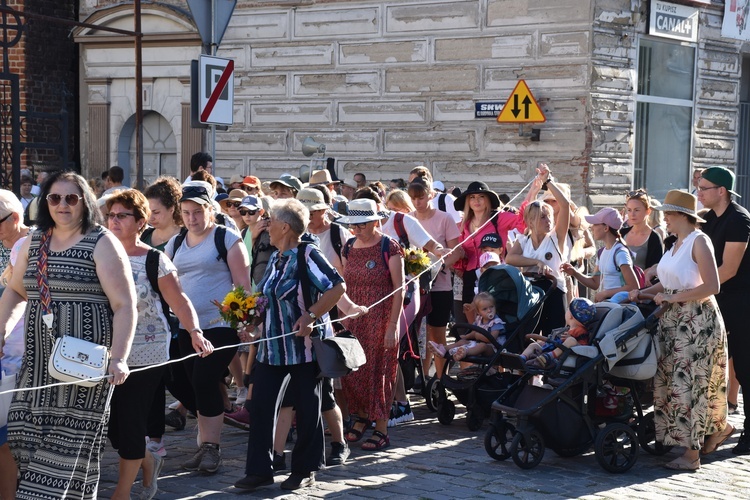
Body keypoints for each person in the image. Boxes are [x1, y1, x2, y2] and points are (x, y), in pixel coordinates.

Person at [0, 171, 137, 498]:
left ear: (85, 202)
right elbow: (16, 292)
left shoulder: (101, 241)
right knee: (22, 437)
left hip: (82, 371)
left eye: (71, 198)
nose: (62, 204)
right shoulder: (35, 240)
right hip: (35, 369)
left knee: (63, 457)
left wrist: (119, 358)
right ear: (44, 202)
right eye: (54, 197)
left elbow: (125, 305)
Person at [105, 189, 214, 500]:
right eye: (111, 215)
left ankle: (122, 492)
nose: (114, 221)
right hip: (107, 354)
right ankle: (149, 459)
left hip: (146, 353)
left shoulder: (154, 260)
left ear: (140, 222)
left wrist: (194, 331)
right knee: (113, 427)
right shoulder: (99, 254)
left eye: (122, 215)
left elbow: (179, 301)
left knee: (131, 422)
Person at [235, 198, 346, 492]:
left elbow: (337, 286)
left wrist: (311, 315)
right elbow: (265, 299)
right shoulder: (276, 258)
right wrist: (251, 322)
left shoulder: (307, 254)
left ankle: (305, 470)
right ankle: (259, 470)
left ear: (285, 226)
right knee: (260, 408)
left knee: (308, 410)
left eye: (271, 221)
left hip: (304, 349)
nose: (267, 225)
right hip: (272, 350)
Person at [629, 190, 730, 471]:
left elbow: (712, 286)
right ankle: (715, 430)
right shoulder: (674, 244)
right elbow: (666, 283)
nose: (664, 219)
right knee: (674, 384)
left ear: (681, 215)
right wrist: (642, 293)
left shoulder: (699, 241)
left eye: (668, 214)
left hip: (697, 321)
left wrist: (674, 298)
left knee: (691, 385)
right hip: (673, 321)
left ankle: (691, 455)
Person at [164, 183, 251, 474]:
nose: (192, 218)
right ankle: (205, 443)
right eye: (186, 213)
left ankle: (212, 448)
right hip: (187, 327)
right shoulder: (175, 243)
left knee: (203, 380)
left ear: (210, 210)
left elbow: (243, 285)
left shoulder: (226, 239)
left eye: (198, 212)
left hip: (220, 325)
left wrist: (244, 324)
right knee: (186, 384)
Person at [338, 198, 404, 450]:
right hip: (355, 320)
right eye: (354, 225)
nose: (357, 230)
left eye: (363, 224)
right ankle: (362, 417)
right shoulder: (349, 246)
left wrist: (392, 327)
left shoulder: (390, 246)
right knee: (355, 372)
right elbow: (345, 284)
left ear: (376, 221)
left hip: (381, 318)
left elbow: (399, 289)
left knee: (379, 372)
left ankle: (382, 427)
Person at [697, 166, 750, 455]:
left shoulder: (739, 220)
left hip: (742, 301)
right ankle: (712, 425)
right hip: (717, 298)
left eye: (704, 188)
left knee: (745, 366)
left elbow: (728, 269)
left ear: (722, 191)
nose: (699, 192)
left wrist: (696, 288)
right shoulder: (707, 220)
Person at [455, 173, 541, 309]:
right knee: (470, 315)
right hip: (470, 277)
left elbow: (522, 220)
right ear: (468, 201)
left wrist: (532, 192)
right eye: (472, 197)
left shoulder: (498, 218)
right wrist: (458, 267)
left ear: (488, 199)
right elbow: (459, 251)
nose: (476, 200)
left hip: (495, 274)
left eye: (481, 196)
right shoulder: (462, 225)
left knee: (496, 316)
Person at [407, 178, 462, 379]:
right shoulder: (407, 219)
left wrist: (439, 267)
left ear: (430, 195)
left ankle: (441, 378)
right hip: (414, 287)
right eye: (413, 198)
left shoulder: (444, 218)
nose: (417, 202)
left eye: (420, 197)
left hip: (440, 286)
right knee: (415, 335)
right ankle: (420, 375)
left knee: (437, 334)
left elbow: (457, 251)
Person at [505, 166, 570, 335]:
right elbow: (510, 259)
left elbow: (565, 205)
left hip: (554, 291)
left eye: (549, 216)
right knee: (528, 336)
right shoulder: (524, 240)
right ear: (531, 222)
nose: (548, 220)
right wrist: (536, 262)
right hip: (532, 292)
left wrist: (548, 182)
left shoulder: (556, 237)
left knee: (553, 336)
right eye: (543, 216)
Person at [0, 189, 30, 499]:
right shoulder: (16, 244)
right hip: (12, 344)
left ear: (15, 218)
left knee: (6, 432)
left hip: (19, 345)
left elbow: (20, 298)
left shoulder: (25, 244)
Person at [561, 207, 639, 302]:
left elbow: (633, 287)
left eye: (595, 224)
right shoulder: (601, 252)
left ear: (606, 228)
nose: (592, 227)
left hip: (621, 308)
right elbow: (595, 283)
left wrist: (605, 293)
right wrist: (574, 273)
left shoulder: (621, 253)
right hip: (608, 307)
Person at [517, 297, 595, 370]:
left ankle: (549, 357)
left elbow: (583, 348)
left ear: (571, 316)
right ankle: (521, 359)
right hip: (552, 350)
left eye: (568, 309)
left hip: (564, 356)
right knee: (534, 345)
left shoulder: (581, 331)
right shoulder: (565, 330)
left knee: (571, 340)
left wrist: (571, 341)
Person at [428, 291, 505, 361]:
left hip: (493, 348)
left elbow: (492, 338)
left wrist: (477, 335)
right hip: (479, 343)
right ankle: (443, 349)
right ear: (478, 312)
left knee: (482, 346)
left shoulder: (496, 322)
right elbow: (474, 331)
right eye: (485, 309)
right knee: (462, 341)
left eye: (491, 307)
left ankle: (464, 352)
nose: (489, 310)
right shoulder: (479, 319)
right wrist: (466, 336)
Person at [621, 189, 664, 270]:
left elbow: (656, 267)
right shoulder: (622, 233)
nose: (632, 214)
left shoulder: (654, 237)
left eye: (637, 210)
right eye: (629, 210)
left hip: (642, 281)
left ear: (648, 211)